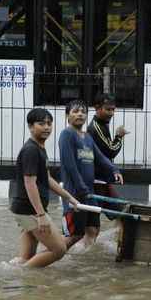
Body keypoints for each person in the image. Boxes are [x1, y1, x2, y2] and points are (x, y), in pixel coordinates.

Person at [9, 107, 81, 268]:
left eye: (49, 124)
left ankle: (20, 282)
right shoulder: (31, 151)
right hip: (31, 210)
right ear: (30, 126)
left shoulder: (39, 148)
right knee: (59, 249)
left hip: (29, 209)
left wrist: (69, 197)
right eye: (41, 124)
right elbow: (30, 183)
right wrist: (41, 214)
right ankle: (19, 273)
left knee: (26, 257)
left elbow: (46, 179)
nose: (46, 127)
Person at [59, 99, 124, 249]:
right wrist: (82, 189)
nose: (80, 114)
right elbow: (70, 167)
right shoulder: (67, 135)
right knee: (73, 235)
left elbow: (101, 157)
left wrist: (114, 170)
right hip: (74, 195)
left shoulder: (87, 137)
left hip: (88, 194)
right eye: (75, 111)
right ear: (67, 116)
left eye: (83, 112)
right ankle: (53, 255)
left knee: (93, 230)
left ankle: (81, 259)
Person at [87, 92, 130, 215]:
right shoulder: (96, 128)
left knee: (120, 212)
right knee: (119, 213)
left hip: (103, 179)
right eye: (108, 109)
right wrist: (119, 137)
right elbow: (111, 151)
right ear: (97, 108)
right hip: (98, 180)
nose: (111, 113)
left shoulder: (101, 125)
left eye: (113, 109)